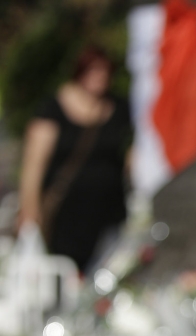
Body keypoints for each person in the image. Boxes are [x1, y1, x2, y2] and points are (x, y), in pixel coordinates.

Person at [17, 46, 132, 272]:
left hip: (108, 211)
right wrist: (30, 209)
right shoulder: (53, 108)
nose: (100, 77)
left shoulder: (119, 107)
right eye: (94, 71)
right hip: (67, 214)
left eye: (104, 72)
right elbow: (33, 165)